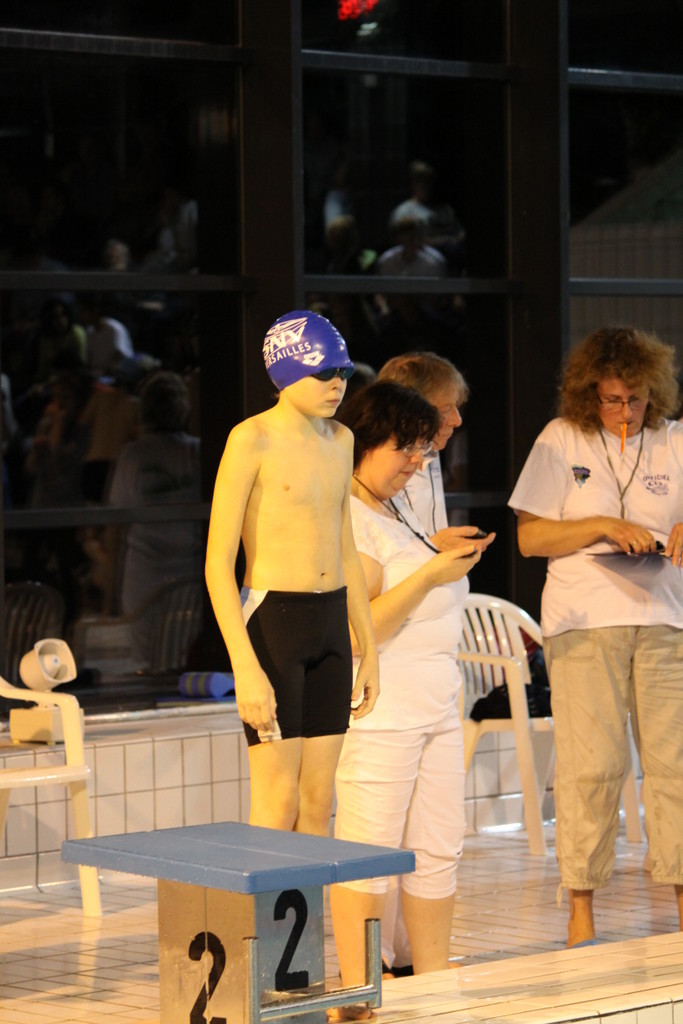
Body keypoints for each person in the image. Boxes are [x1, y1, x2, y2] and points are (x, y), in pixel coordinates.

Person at [508, 324, 683, 948]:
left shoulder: (674, 439)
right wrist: (604, 525)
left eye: (635, 399)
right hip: (584, 620)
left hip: (665, 617)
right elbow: (530, 538)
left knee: (674, 766)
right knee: (594, 765)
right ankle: (581, 908)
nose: (624, 412)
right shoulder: (561, 438)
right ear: (589, 393)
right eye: (612, 400)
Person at [329, 380, 494, 1010]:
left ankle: (432, 982)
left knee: (438, 847)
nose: (417, 464)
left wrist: (434, 549)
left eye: (423, 452)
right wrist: (430, 572)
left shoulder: (393, 508)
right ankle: (357, 989)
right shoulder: (347, 516)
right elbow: (358, 631)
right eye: (408, 450)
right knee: (369, 850)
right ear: (368, 441)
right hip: (382, 711)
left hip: (436, 704)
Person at [205, 309, 379, 837]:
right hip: (273, 626)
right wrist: (244, 668)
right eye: (324, 373)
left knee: (318, 803)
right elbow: (217, 564)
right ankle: (263, 900)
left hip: (330, 625)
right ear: (286, 375)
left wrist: (369, 648)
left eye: (343, 373)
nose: (337, 385)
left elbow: (346, 551)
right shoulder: (251, 439)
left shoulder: (342, 440)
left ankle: (312, 901)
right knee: (278, 802)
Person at [373, 350, 480, 975]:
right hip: (388, 680)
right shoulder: (367, 485)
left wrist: (436, 551)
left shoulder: (427, 466)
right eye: (445, 409)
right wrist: (431, 562)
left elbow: (414, 547)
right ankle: (376, 963)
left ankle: (419, 959)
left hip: (435, 673)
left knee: (437, 833)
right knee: (379, 834)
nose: (457, 421)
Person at [107, 370, 202, 661]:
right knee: (185, 660)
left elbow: (117, 524)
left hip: (143, 577)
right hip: (191, 574)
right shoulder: (198, 451)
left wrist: (110, 590)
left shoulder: (132, 454)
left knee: (146, 662)